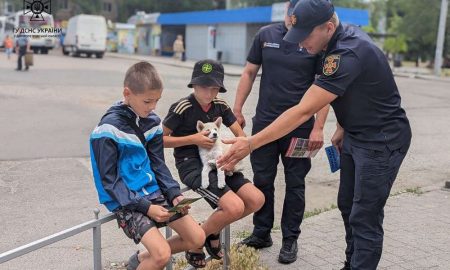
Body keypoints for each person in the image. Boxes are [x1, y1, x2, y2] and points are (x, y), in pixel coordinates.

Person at [218, 1, 412, 269]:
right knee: (347, 205)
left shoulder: (347, 52)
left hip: (381, 140)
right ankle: (350, 263)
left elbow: (303, 110)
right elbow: (355, 90)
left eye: (305, 37)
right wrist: (343, 125)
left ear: (329, 27)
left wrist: (250, 143)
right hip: (356, 134)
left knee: (364, 216)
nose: (301, 45)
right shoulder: (332, 42)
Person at [232, 0, 330, 264]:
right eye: (290, 13)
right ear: (287, 11)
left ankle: (290, 240)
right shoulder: (266, 35)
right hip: (264, 125)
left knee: (295, 184)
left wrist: (319, 127)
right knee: (263, 180)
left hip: (300, 128)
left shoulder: (314, 41)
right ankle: (262, 233)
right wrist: (237, 109)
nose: (292, 19)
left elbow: (324, 88)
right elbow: (249, 72)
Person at [90, 61, 206, 270]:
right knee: (162, 256)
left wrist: (174, 194)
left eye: (157, 101)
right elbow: (110, 181)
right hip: (125, 200)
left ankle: (141, 259)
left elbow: (158, 164)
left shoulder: (152, 121)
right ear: (127, 93)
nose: (153, 107)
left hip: (152, 192)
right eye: (147, 101)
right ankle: (150, 259)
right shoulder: (107, 129)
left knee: (197, 238)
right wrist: (147, 208)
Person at [162, 59, 264, 268]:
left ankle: (207, 232)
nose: (208, 93)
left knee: (256, 199)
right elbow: (160, 139)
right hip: (193, 165)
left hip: (221, 160)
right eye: (203, 87)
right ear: (193, 85)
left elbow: (241, 136)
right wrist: (194, 139)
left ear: (220, 88)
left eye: (214, 88)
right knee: (234, 207)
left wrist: (233, 156)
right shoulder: (182, 107)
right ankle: (195, 242)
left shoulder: (221, 106)